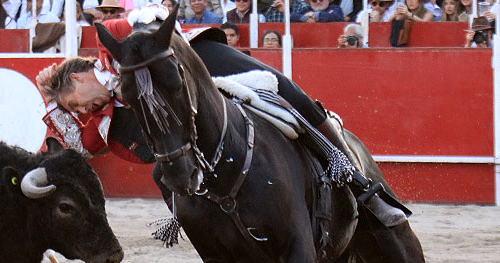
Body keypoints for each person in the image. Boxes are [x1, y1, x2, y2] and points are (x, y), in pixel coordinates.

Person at [36, 8, 408, 226]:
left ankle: (359, 185)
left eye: (75, 103)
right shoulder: (112, 112)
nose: (83, 112)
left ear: (79, 76)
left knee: (285, 92)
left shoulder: (110, 47)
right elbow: (84, 144)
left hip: (199, 60)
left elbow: (141, 26)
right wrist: (54, 105)